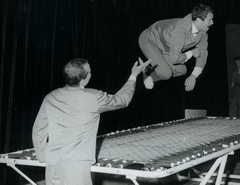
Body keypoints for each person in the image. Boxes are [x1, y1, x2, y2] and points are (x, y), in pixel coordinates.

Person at [32, 57, 151, 185]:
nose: (91, 74)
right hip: (76, 167)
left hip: (52, 165)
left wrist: (43, 156)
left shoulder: (50, 97)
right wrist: (133, 75)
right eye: (90, 72)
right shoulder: (94, 97)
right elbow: (122, 100)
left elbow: (38, 129)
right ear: (84, 78)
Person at [138, 4, 214, 91]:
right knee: (166, 74)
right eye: (210, 20)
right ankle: (149, 73)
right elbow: (175, 59)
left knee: (182, 70)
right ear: (199, 20)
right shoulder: (180, 30)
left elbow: (202, 52)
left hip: (165, 47)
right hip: (150, 40)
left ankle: (149, 72)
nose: (212, 23)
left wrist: (194, 75)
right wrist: (192, 52)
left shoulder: (202, 33)